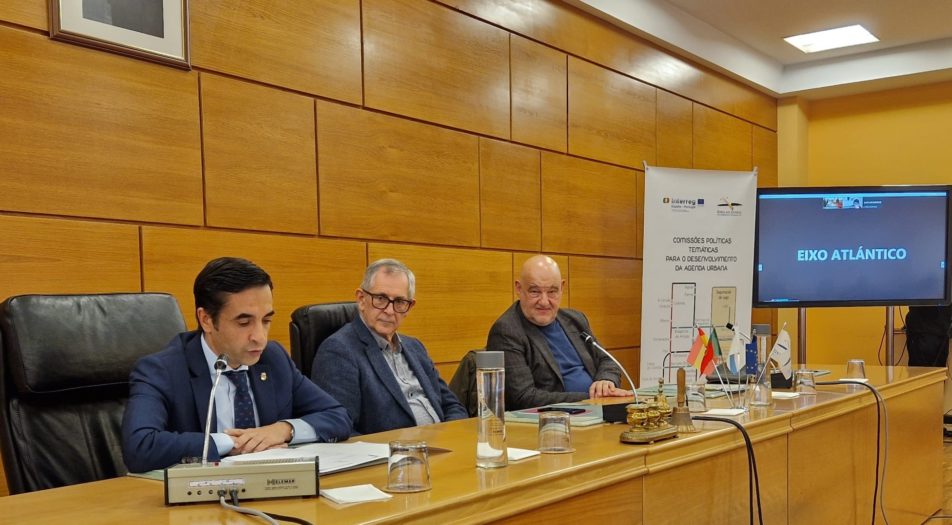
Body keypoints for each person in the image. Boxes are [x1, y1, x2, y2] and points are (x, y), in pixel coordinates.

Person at [122, 257, 351, 472]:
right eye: (244, 322)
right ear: (206, 320)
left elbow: (337, 416)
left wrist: (283, 430)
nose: (259, 337)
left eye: (266, 320)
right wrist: (230, 443)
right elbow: (140, 447)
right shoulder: (162, 370)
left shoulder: (273, 358)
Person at [312, 259, 468, 435]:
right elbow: (341, 430)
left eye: (399, 301)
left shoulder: (415, 347)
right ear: (361, 299)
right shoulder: (338, 351)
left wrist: (451, 437)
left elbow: (452, 406)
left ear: (409, 307)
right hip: (391, 451)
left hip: (442, 446)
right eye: (380, 299)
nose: (389, 311)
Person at [487, 255, 630, 410]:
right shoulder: (507, 331)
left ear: (562, 288)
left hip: (597, 411)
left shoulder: (575, 319)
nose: (544, 301)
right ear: (519, 289)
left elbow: (607, 360)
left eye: (552, 291)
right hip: (553, 419)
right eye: (535, 291)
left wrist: (606, 381)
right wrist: (594, 399)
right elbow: (524, 397)